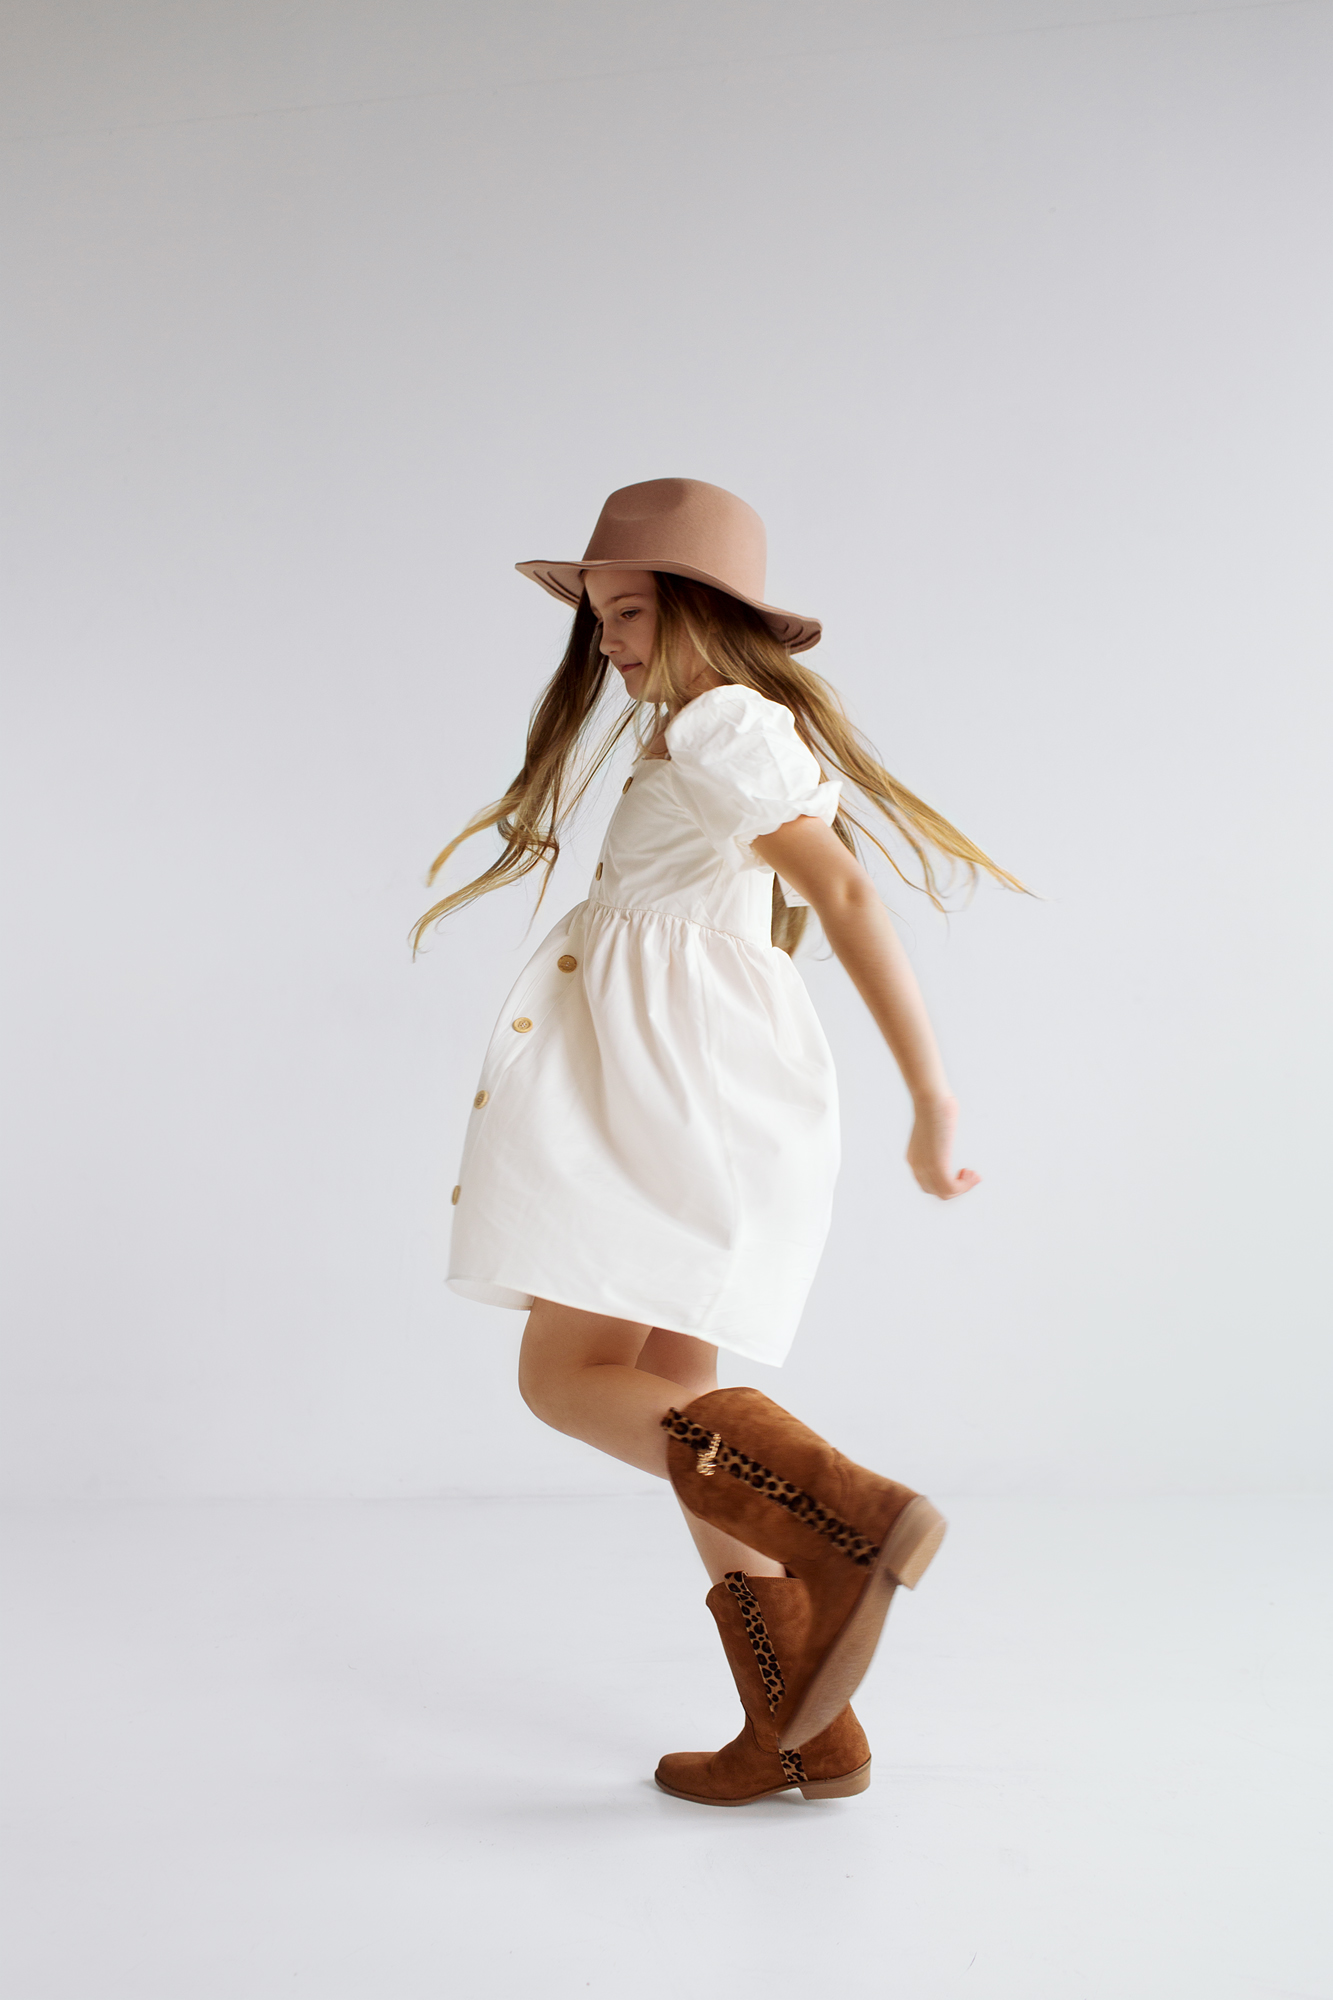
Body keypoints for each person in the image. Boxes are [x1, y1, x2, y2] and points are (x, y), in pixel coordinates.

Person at [413, 478, 1022, 1807]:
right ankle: (802, 1728)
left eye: (630, 611)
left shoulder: (721, 723)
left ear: (703, 612)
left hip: (663, 1103)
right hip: (687, 1099)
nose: (610, 641)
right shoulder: (699, 733)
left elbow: (840, 886)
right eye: (597, 616)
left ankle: (847, 1520)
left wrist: (932, 1098)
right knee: (678, 1397)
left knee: (565, 1380)